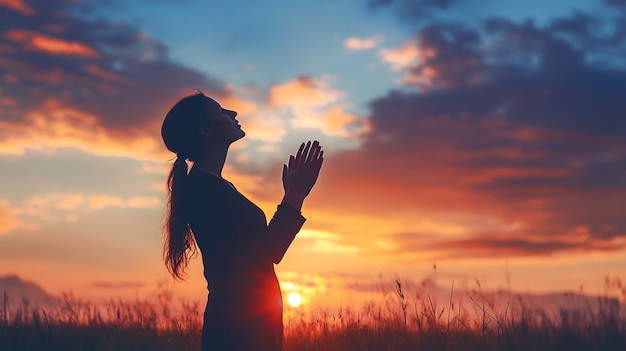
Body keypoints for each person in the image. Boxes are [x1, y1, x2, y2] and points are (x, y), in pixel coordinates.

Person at [160, 91, 323, 351]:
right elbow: (269, 251)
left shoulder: (213, 187)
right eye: (221, 112)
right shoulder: (205, 191)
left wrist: (291, 195)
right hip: (239, 331)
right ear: (205, 130)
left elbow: (257, 252)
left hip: (244, 326)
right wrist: (295, 195)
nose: (233, 113)